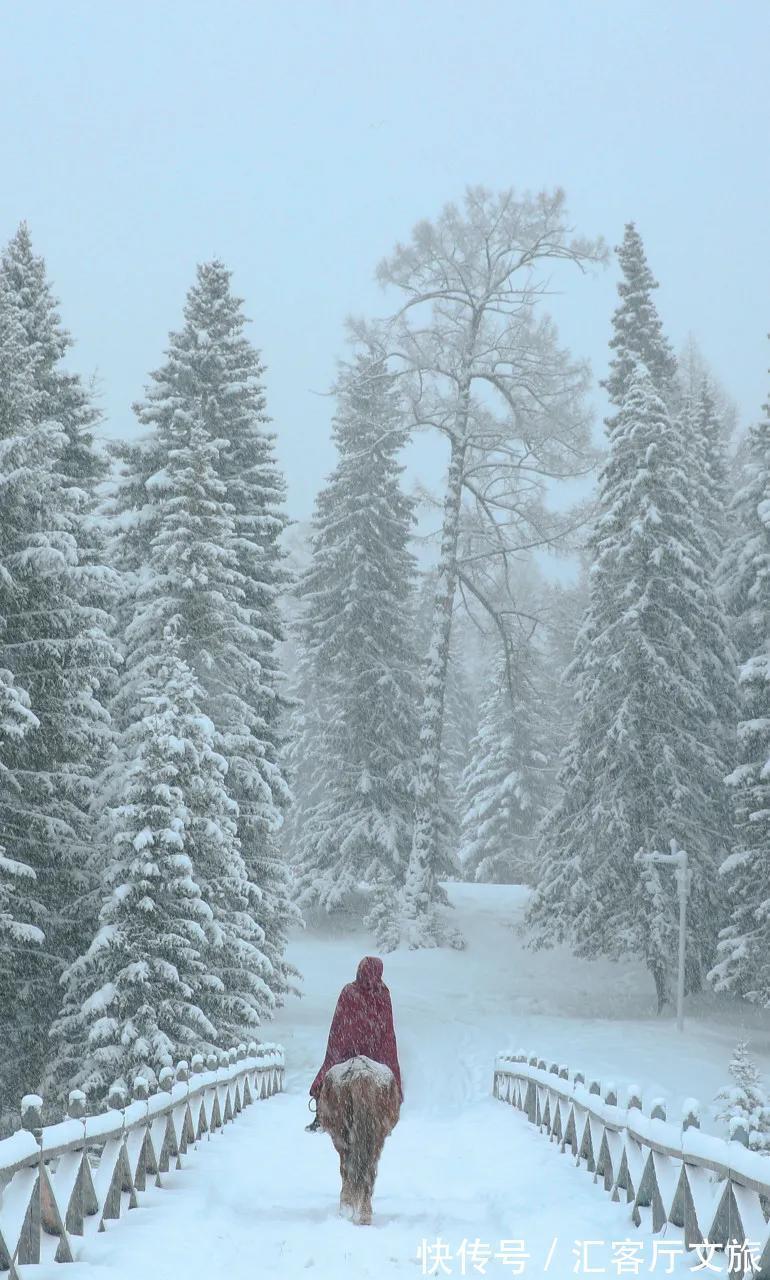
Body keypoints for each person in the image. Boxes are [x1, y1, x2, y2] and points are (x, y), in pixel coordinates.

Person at [306, 955, 403, 1131]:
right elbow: (386, 1029)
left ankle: (321, 1113)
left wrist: (344, 1045)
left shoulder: (350, 991)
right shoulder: (382, 993)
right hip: (374, 1051)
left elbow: (339, 1025)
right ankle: (385, 1113)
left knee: (330, 1069)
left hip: (348, 1048)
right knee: (388, 1075)